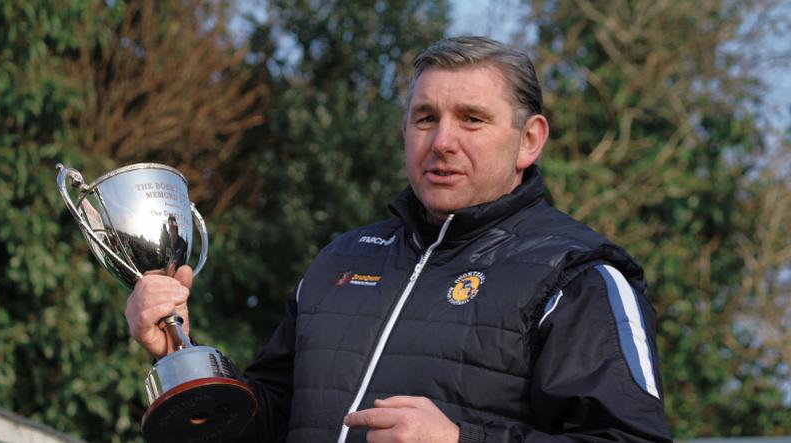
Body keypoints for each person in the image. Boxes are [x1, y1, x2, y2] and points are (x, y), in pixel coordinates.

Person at [126, 36, 672, 442]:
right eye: (425, 117)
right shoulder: (338, 259)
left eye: (472, 119)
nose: (442, 141)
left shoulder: (578, 275)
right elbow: (264, 421)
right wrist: (183, 358)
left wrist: (463, 441)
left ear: (529, 140)